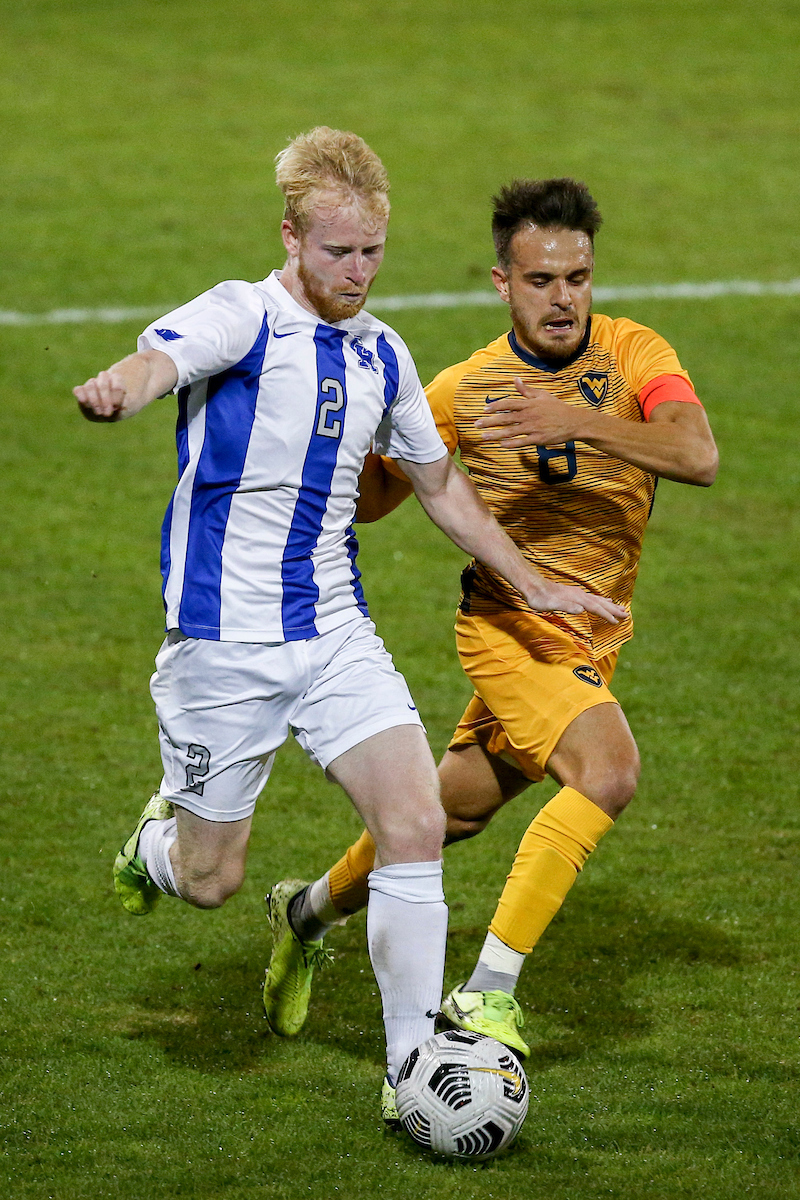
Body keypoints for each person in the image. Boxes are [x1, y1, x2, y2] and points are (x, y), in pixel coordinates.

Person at [73, 142, 624, 1120]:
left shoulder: (382, 352)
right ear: (290, 237)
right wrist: (125, 385)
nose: (358, 272)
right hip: (222, 643)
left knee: (413, 823)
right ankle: (157, 845)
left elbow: (438, 484)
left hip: (332, 627)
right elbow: (164, 358)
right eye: (338, 252)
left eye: (373, 252)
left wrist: (532, 581)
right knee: (210, 880)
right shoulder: (242, 314)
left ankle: (410, 1068)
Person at [270, 176, 719, 1062]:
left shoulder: (635, 353)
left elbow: (696, 453)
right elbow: (371, 501)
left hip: (592, 637)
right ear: (502, 282)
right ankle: (486, 992)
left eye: (577, 278)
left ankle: (306, 913)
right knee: (608, 773)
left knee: (446, 814)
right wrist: (337, 438)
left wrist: (576, 421)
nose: (563, 298)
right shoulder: (462, 392)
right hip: (512, 629)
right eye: (541, 280)